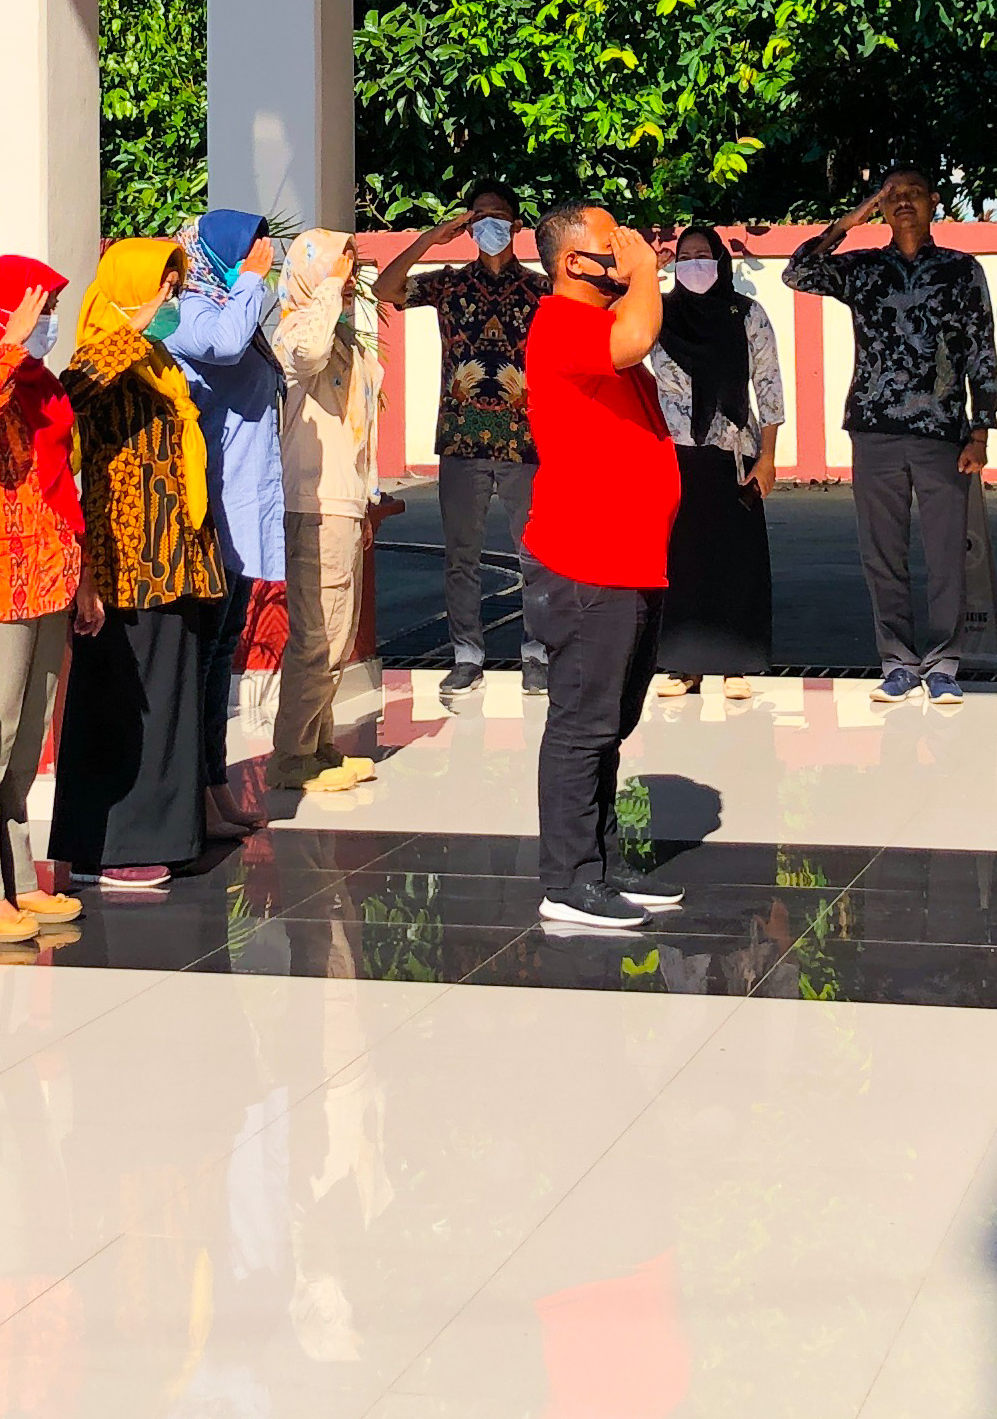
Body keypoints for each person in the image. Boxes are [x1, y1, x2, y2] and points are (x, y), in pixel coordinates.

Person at [519, 201, 690, 931]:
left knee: (610, 723)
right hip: (586, 561)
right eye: (610, 243)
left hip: (630, 561)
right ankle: (567, 881)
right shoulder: (561, 322)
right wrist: (646, 267)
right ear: (571, 262)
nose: (624, 251)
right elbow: (638, 333)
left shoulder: (595, 329)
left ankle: (598, 862)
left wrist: (638, 270)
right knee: (582, 725)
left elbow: (634, 335)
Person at [53, 239, 233, 892]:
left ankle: (168, 834)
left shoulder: (157, 364)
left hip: (173, 557)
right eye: (160, 289)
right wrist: (133, 325)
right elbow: (70, 395)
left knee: (168, 699)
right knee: (124, 704)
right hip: (125, 558)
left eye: (174, 290)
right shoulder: (103, 356)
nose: (169, 302)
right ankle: (111, 846)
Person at [786, 168, 997, 703]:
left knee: (947, 553)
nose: (903, 202)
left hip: (941, 430)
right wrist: (849, 222)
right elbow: (798, 272)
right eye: (891, 196)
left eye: (913, 194)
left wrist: (981, 428)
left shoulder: (961, 270)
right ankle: (898, 660)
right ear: (880, 208)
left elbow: (981, 346)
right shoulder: (863, 269)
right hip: (874, 427)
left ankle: (944, 662)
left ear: (934, 202)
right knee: (882, 554)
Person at [0, 255, 97, 942]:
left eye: (51, 311)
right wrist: (8, 343)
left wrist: (83, 576)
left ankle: (17, 875)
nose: (47, 324)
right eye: (39, 310)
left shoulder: (43, 386)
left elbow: (62, 487)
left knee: (29, 738)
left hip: (51, 574)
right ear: (6, 314)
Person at [376, 189, 547, 700]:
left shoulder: (541, 289)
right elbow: (386, 288)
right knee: (461, 557)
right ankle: (466, 656)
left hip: (524, 439)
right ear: (467, 226)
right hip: (461, 438)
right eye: (480, 217)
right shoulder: (450, 284)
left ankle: (537, 654)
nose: (489, 225)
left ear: (516, 225)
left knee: (536, 556)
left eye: (499, 216)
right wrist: (431, 239)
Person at [168, 209, 288, 831]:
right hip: (210, 509)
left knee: (220, 656)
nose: (261, 256)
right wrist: (250, 281)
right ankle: (193, 793)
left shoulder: (230, 300)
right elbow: (224, 346)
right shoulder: (190, 308)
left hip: (242, 505)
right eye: (250, 248)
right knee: (206, 655)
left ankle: (213, 789)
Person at [267, 232, 388, 797]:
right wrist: (330, 288)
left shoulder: (340, 336)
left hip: (342, 504)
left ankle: (318, 744)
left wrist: (365, 501)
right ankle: (292, 755)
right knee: (319, 637)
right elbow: (307, 356)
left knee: (336, 633)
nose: (349, 274)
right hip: (313, 505)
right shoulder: (296, 330)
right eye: (339, 264)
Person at [642, 224, 784, 697]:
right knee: (680, 558)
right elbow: (615, 328)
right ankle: (683, 665)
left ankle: (734, 665)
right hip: (674, 452)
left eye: (703, 254)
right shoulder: (658, 314)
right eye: (685, 256)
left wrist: (768, 457)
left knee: (734, 559)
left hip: (734, 453)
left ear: (721, 260)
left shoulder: (746, 313)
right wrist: (645, 275)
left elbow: (768, 386)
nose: (695, 264)